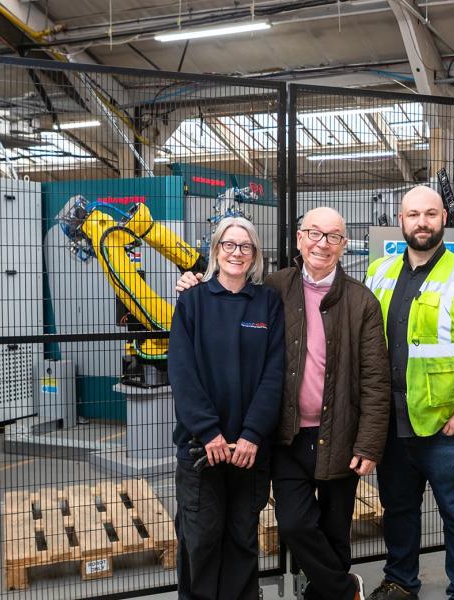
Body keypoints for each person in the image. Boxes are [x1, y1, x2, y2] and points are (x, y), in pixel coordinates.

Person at [176, 207, 391, 600]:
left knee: (332, 529)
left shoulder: (358, 301)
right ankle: (343, 589)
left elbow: (375, 378)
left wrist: (369, 442)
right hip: (285, 436)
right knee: (285, 526)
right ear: (298, 238)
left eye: (333, 237)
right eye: (313, 233)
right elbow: (188, 370)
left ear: (344, 245)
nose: (321, 244)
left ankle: (332, 592)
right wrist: (192, 280)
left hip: (332, 432)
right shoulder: (273, 289)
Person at [362, 186, 454, 600]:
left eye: (430, 214)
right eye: (413, 215)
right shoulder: (379, 272)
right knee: (399, 510)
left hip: (448, 426)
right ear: (401, 219)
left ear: (444, 218)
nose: (422, 222)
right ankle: (400, 580)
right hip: (392, 423)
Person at [169, 216, 285, 600]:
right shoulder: (192, 301)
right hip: (201, 449)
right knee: (200, 540)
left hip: (249, 452)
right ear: (216, 250)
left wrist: (252, 434)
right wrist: (208, 431)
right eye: (229, 244)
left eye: (245, 246)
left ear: (254, 256)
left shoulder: (267, 302)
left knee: (241, 538)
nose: (237, 252)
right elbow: (183, 373)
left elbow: (274, 374)